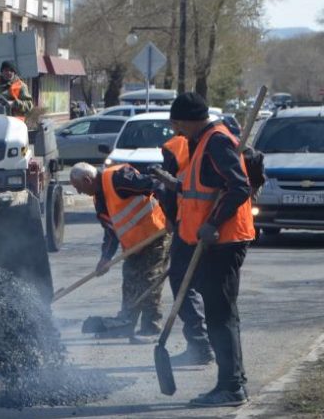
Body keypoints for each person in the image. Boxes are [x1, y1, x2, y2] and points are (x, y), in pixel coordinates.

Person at [169, 92, 255, 408]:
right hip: (212, 242)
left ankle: (231, 386)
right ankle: (233, 381)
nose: (177, 130)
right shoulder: (204, 141)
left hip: (224, 241)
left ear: (190, 120)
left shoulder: (216, 141)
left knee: (220, 315)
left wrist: (214, 223)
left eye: (178, 123)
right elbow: (204, 189)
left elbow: (239, 187)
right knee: (221, 314)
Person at [69, 161, 170, 338]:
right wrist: (105, 258)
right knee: (130, 280)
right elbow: (111, 231)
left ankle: (151, 327)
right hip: (133, 245)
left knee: (150, 280)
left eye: (78, 188)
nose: (78, 193)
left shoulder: (118, 177)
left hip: (156, 234)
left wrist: (171, 214)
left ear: (87, 180)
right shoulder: (100, 199)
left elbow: (157, 184)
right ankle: (126, 323)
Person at [158, 134, 215, 367]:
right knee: (205, 287)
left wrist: (170, 217)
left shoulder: (174, 148)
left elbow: (170, 191)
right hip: (214, 226)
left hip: (190, 225)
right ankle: (208, 346)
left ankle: (200, 345)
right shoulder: (217, 140)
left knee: (183, 284)